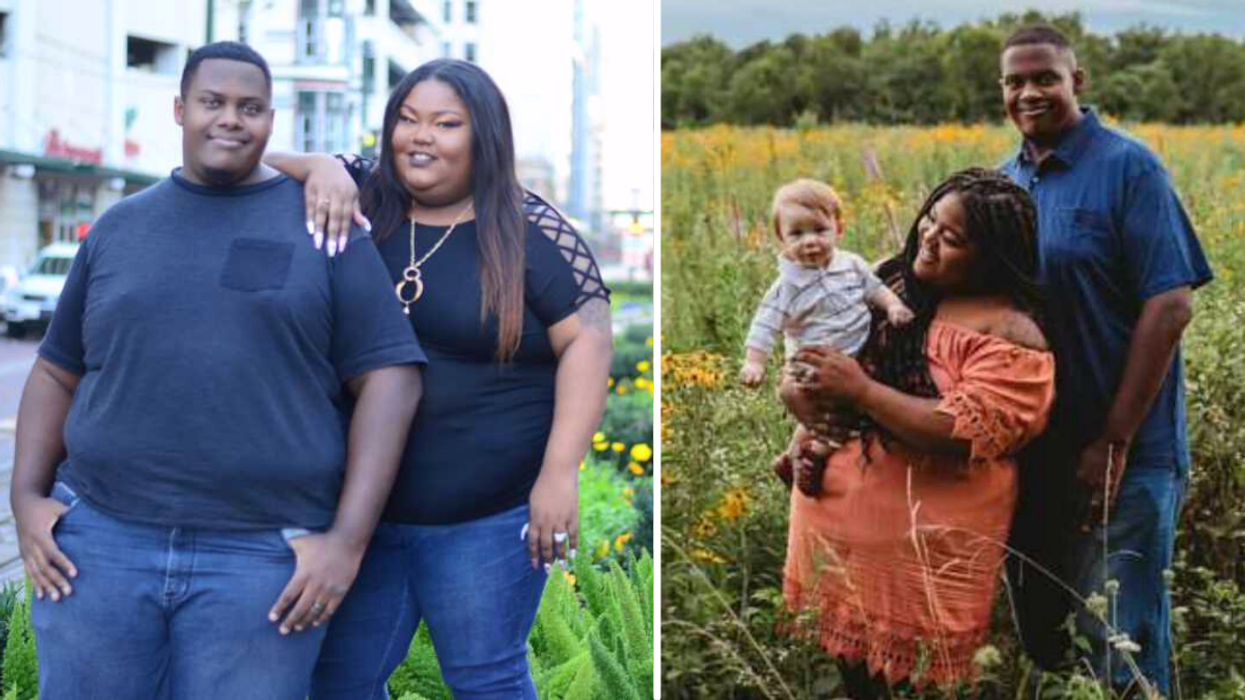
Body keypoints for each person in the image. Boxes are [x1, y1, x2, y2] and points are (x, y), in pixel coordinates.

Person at [10, 42, 426, 699]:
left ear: (270, 120)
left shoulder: (324, 227)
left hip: (263, 556)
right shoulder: (120, 228)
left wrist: (347, 542)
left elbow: (391, 379)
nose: (230, 119)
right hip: (101, 543)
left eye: (249, 107)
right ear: (180, 109)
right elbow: (56, 372)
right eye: (212, 102)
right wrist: (26, 500)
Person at [264, 58, 613, 699]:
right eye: (408, 119)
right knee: (337, 680)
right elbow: (251, 160)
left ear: (484, 136)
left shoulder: (531, 229)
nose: (421, 137)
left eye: (446, 124)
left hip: (486, 517)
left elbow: (590, 339)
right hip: (363, 514)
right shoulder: (362, 197)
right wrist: (318, 167)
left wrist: (560, 472)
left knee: (485, 679)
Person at [780, 168, 1055, 696]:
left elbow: (962, 431)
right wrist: (800, 405)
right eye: (930, 220)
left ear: (992, 257)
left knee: (922, 680)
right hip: (834, 523)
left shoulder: (1010, 332)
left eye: (952, 238)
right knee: (857, 680)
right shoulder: (889, 283)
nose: (928, 238)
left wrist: (862, 392)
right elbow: (816, 356)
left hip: (922, 554)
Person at [997, 25, 1213, 696]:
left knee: (1119, 647)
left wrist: (1113, 441)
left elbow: (1169, 306)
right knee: (1046, 644)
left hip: (1127, 453)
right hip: (1035, 454)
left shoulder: (1129, 168)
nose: (1028, 93)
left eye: (1044, 78)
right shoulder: (1003, 182)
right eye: (1013, 82)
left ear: (1077, 81)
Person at [739, 178, 912, 495]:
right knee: (825, 409)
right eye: (796, 234)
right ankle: (816, 452)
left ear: (838, 228)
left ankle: (795, 453)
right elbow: (764, 325)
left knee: (855, 398)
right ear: (781, 239)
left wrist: (894, 306)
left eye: (819, 230)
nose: (810, 242)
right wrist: (754, 362)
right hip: (813, 362)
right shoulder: (786, 286)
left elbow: (875, 289)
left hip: (858, 350)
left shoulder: (851, 265)